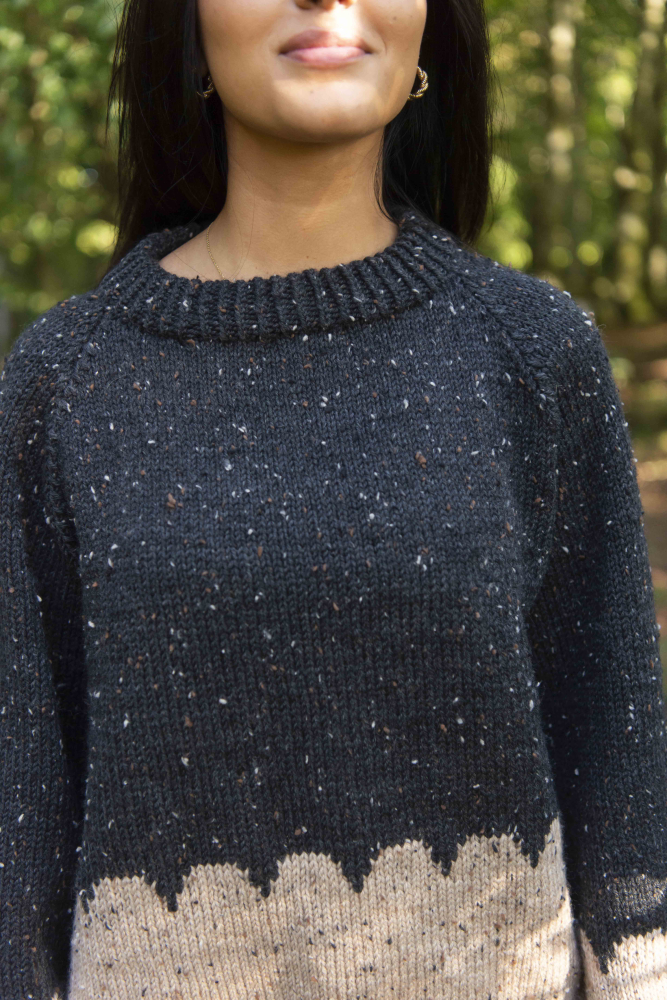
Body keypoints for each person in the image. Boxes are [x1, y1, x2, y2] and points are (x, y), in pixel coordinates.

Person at [1, 0, 666, 996]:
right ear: (186, 27)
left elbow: (620, 780)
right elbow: (20, 825)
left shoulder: (531, 355)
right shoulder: (65, 383)